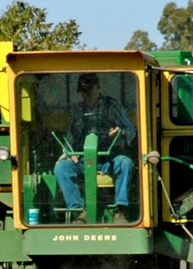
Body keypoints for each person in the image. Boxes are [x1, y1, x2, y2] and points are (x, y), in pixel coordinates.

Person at [54, 73, 136, 220]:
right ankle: (78, 211)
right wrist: (70, 153)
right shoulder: (78, 110)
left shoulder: (112, 105)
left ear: (98, 88)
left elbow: (130, 130)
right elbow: (69, 138)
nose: (87, 95)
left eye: (89, 91)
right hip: (83, 160)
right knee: (61, 168)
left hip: (109, 159)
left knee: (126, 163)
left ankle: (120, 209)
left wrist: (120, 132)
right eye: (83, 92)